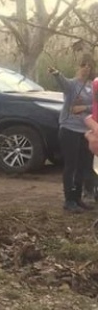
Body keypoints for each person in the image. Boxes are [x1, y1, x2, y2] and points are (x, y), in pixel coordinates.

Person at [49, 55, 96, 212]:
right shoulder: (72, 84)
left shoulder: (92, 86)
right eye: (83, 65)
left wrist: (84, 108)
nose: (86, 68)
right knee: (72, 165)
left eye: (89, 65)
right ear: (78, 66)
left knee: (84, 166)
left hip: (85, 131)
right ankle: (69, 201)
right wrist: (57, 74)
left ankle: (77, 199)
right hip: (69, 129)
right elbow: (63, 84)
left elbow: (95, 106)